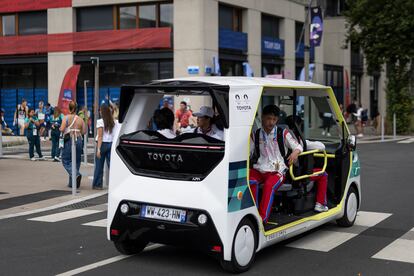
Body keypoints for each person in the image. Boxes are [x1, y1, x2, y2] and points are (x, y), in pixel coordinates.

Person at [249, 105, 302, 223]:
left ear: (277, 120)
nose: (271, 122)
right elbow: (248, 153)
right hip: (259, 169)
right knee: (246, 178)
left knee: (269, 186)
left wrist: (295, 153)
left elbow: (298, 146)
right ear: (262, 118)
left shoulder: (282, 133)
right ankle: (251, 212)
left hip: (278, 170)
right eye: (268, 119)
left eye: (274, 119)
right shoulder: (255, 134)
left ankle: (262, 219)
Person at [286, 115, 329, 212]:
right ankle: (320, 204)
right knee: (323, 174)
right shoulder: (299, 142)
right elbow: (321, 146)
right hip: (296, 175)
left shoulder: (279, 137)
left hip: (285, 172)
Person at [60, 101, 86, 188]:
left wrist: (60, 128)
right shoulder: (80, 119)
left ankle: (76, 175)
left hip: (69, 139)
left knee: (66, 160)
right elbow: (84, 131)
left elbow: (62, 129)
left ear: (69, 108)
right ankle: (73, 183)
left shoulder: (66, 117)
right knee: (76, 161)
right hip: (79, 139)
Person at [92, 104, 117, 190]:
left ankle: (97, 184)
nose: (99, 112)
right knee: (112, 166)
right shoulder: (114, 121)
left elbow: (100, 136)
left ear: (102, 112)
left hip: (102, 145)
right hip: (111, 144)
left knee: (99, 166)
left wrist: (98, 149)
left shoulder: (100, 121)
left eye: (100, 110)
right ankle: (115, 184)